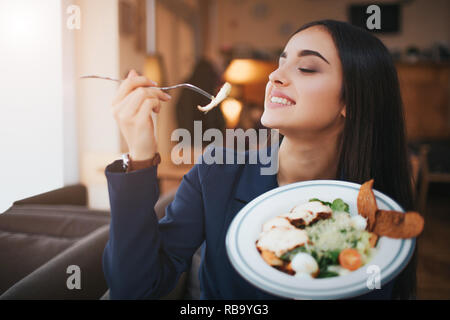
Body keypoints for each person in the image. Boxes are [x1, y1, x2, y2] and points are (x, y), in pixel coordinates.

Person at [103, 20, 416, 300]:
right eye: (280, 63)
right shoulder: (217, 173)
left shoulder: (371, 211)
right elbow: (134, 289)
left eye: (306, 68)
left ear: (351, 101)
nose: (275, 75)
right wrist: (140, 155)